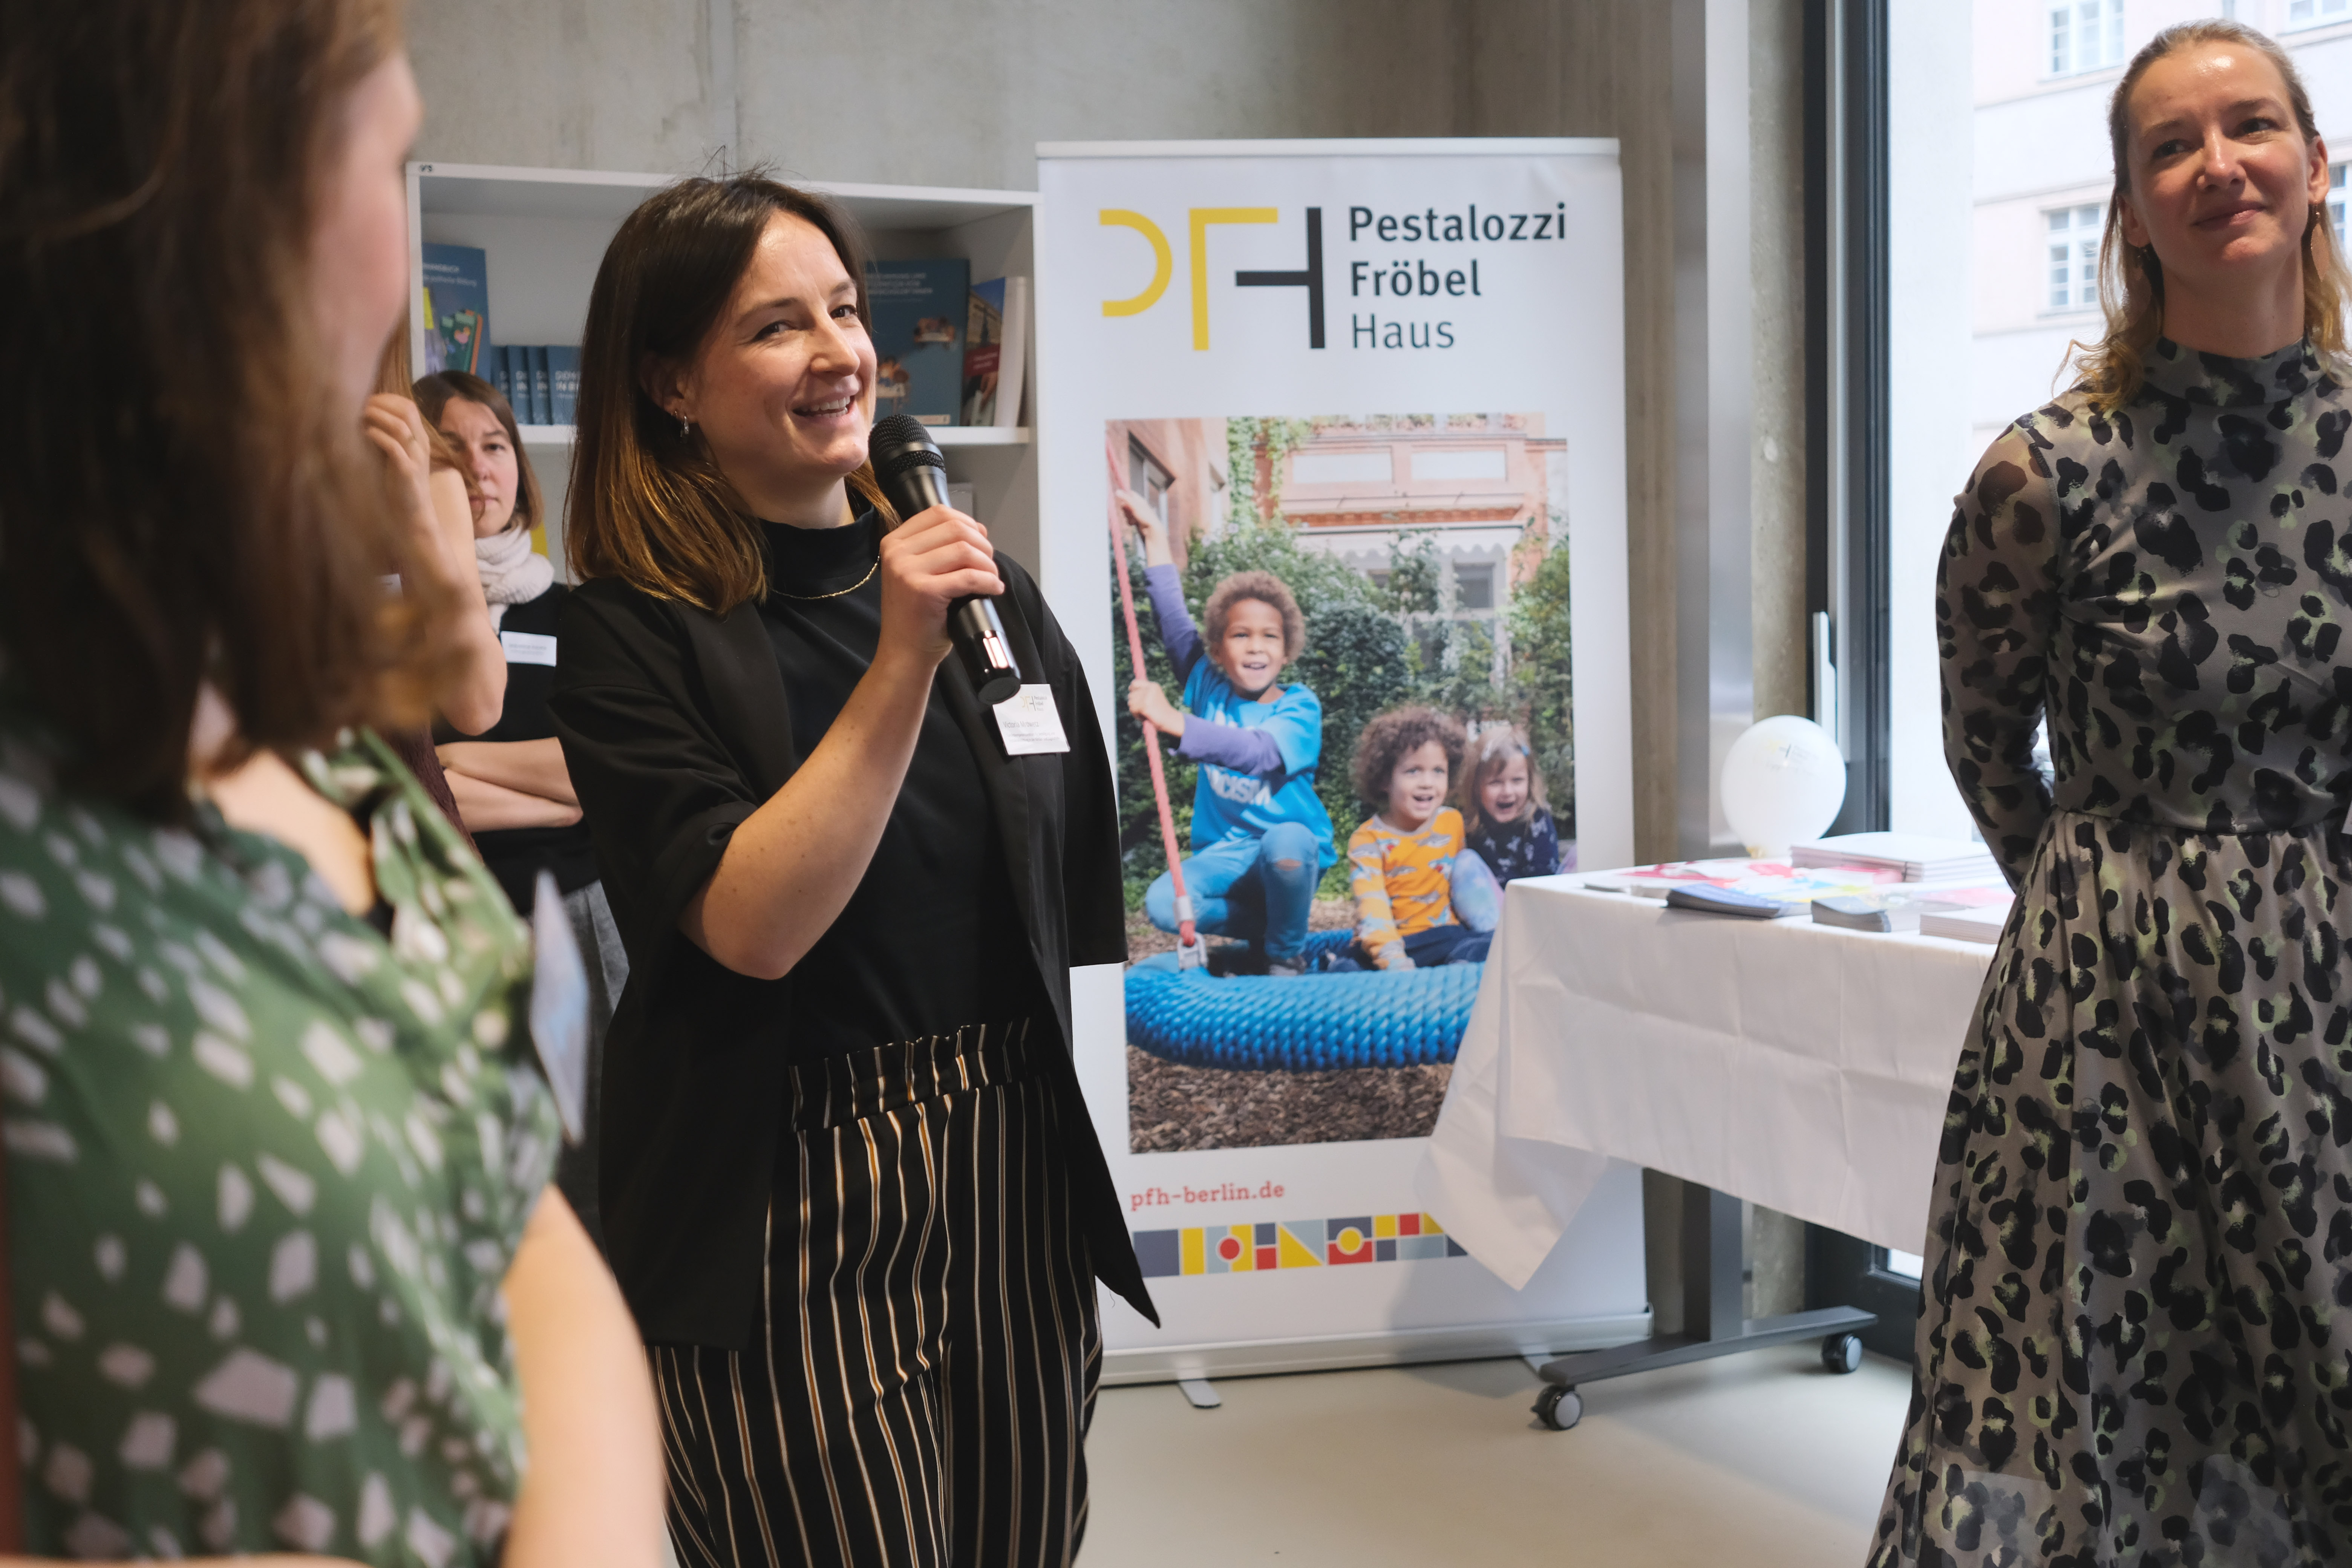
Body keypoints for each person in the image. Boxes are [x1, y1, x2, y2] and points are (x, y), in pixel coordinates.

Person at [0, 2, 664, 1563]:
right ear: (210, 215)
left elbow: (509, 1221)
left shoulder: (295, 709)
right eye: (396, 166)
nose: (400, 301)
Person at [547, 172, 1154, 1568]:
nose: (839, 353)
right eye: (777, 327)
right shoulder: (631, 632)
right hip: (789, 1187)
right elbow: (750, 924)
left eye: (845, 310)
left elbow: (1054, 849)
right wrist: (898, 659)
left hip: (1009, 1152)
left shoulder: (973, 579)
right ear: (671, 382)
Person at [1871, 21, 2352, 1565]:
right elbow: (1981, 744)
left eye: (2254, 125)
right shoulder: (2044, 473)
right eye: (2172, 146)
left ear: (2316, 163)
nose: (2221, 163)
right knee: (2077, 1409)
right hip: (2099, 1024)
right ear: (2131, 213)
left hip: (2334, 1008)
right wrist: (2114, 897)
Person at [416, 369, 627, 1251]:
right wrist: (542, 789)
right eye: (450, 450)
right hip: (438, 929)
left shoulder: (581, 614)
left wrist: (453, 760)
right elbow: (396, 787)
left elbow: (602, 779)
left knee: (587, 1179)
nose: (478, 468)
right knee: (457, 1181)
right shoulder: (389, 625)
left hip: (568, 921)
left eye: (494, 444)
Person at [1118, 494, 1336, 977]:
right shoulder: (1207, 686)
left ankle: (1285, 956)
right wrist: (1153, 536)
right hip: (1229, 855)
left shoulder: (1299, 706)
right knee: (1163, 903)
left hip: (1289, 854)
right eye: (1241, 635)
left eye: (1270, 637)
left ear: (1287, 650)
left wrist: (1175, 721)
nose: (1256, 646)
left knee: (1287, 841)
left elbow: (1258, 753)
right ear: (1217, 648)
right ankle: (1273, 931)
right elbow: (1173, 620)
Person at [1335, 707, 1491, 971]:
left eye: (1438, 771)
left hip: (1444, 937)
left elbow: (1463, 888)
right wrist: (1394, 960)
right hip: (1396, 941)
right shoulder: (1368, 839)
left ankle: (1458, 970)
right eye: (1413, 771)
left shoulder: (1451, 822)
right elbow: (1373, 907)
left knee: (1486, 945)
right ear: (1386, 779)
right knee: (1345, 969)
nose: (1427, 783)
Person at [1459, 725, 1562, 885]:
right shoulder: (1470, 825)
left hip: (1530, 901)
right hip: (1487, 905)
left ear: (1530, 782)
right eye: (1496, 782)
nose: (1507, 792)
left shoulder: (1536, 821)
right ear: (1476, 787)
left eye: (1517, 781)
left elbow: (1545, 881)